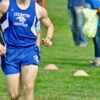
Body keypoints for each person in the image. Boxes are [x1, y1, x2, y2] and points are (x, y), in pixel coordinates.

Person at [0, 0, 54, 100]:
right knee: (14, 95)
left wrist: (48, 38)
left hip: (30, 51)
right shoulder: (5, 5)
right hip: (10, 52)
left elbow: (49, 25)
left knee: (29, 87)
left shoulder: (39, 9)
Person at [85, 0, 100, 67]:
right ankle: (97, 59)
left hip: (98, 23)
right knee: (96, 41)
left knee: (97, 41)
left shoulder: (92, 0)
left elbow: (99, 10)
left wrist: (88, 12)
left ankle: (98, 60)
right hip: (94, 23)